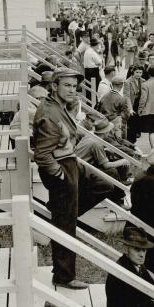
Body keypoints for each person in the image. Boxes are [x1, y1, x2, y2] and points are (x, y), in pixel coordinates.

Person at [33, 68, 89, 289]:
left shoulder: (57, 106)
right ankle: (64, 276)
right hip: (61, 168)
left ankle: (64, 212)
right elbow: (42, 155)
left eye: (74, 86)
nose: (72, 90)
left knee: (102, 185)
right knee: (66, 225)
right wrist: (59, 175)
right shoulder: (50, 113)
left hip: (70, 162)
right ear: (54, 86)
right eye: (67, 85)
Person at [123, 64, 145, 143]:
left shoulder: (143, 81)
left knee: (139, 120)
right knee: (132, 122)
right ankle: (131, 141)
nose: (139, 74)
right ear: (133, 72)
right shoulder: (127, 82)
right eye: (137, 72)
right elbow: (127, 96)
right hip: (132, 102)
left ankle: (137, 132)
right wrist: (130, 109)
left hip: (140, 103)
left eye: (140, 72)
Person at [83, 37, 103, 102]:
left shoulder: (87, 50)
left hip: (87, 70)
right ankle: (95, 102)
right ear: (96, 45)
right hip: (93, 71)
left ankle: (90, 101)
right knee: (97, 86)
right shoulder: (92, 53)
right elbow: (99, 62)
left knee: (89, 87)